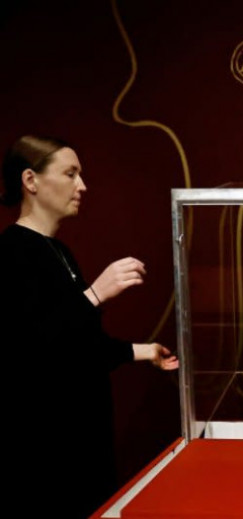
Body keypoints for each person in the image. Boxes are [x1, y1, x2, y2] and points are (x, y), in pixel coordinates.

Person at [0, 135, 179, 518]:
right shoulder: (11, 252)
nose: (82, 186)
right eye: (70, 174)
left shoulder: (59, 250)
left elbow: (81, 345)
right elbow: (30, 349)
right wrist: (95, 293)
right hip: (47, 452)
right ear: (30, 181)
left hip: (84, 441)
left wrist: (144, 351)